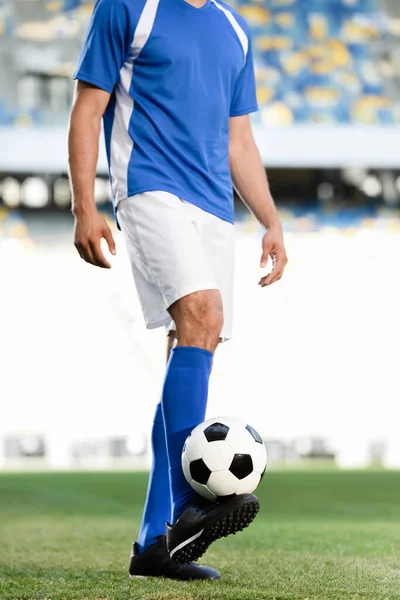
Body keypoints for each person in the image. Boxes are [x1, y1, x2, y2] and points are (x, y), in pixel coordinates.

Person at [68, 0, 288, 581]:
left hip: (216, 208)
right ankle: (191, 503)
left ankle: (152, 543)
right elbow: (88, 109)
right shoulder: (128, 8)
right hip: (148, 188)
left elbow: (238, 138)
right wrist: (83, 207)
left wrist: (270, 219)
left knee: (192, 344)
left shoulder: (234, 29)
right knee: (202, 313)